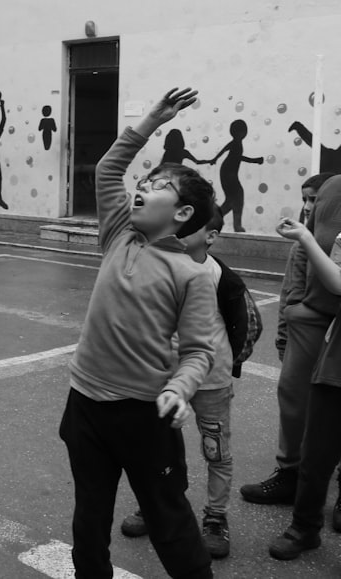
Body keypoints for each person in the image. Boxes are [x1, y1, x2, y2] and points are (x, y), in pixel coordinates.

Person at [58, 87, 217, 579]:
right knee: (90, 518)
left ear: (183, 212)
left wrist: (178, 388)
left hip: (144, 414)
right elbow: (108, 170)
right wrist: (150, 120)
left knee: (169, 520)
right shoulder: (118, 235)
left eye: (159, 183)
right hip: (85, 404)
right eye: (147, 178)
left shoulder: (192, 275)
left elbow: (196, 352)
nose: (143, 185)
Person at [240, 105, 341, 535]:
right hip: (312, 314)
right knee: (295, 400)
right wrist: (293, 305)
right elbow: (306, 247)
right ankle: (290, 475)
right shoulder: (332, 186)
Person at [267, 158, 341, 578]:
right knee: (315, 463)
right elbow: (337, 284)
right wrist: (303, 235)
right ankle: (304, 529)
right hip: (334, 375)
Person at [119, 204, 262, 559]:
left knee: (216, 450)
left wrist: (230, 364)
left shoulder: (222, 278)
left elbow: (249, 325)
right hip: (165, 380)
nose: (178, 233)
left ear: (211, 236)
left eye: (189, 227)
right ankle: (158, 506)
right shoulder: (158, 266)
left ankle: (215, 517)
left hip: (211, 382)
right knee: (159, 448)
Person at [274, 172, 337, 360]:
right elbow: (289, 294)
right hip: (304, 338)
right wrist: (283, 340)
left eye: (314, 199)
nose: (307, 207)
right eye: (304, 200)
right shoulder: (301, 245)